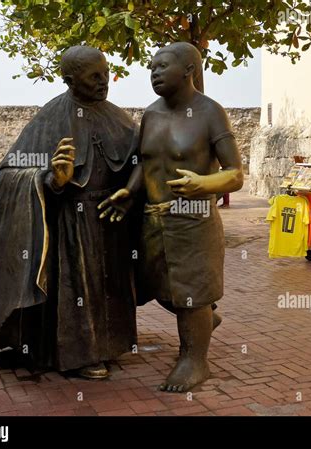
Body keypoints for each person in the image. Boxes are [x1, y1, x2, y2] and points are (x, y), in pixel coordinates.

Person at [0, 46, 140, 379]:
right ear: (70, 80)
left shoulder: (118, 116)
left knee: (112, 287)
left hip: (111, 218)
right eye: (94, 77)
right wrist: (49, 179)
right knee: (79, 291)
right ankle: (82, 356)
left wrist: (130, 193)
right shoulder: (50, 117)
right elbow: (7, 177)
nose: (104, 82)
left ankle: (109, 344)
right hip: (72, 223)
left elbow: (141, 159)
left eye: (106, 73)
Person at [98, 42, 244, 392]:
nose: (155, 73)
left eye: (162, 66)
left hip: (192, 218)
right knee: (156, 286)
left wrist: (204, 183)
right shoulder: (151, 114)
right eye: (151, 68)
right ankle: (205, 320)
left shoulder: (210, 112)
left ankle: (195, 360)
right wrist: (130, 192)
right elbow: (144, 161)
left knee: (190, 293)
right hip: (153, 218)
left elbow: (236, 174)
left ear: (190, 70)